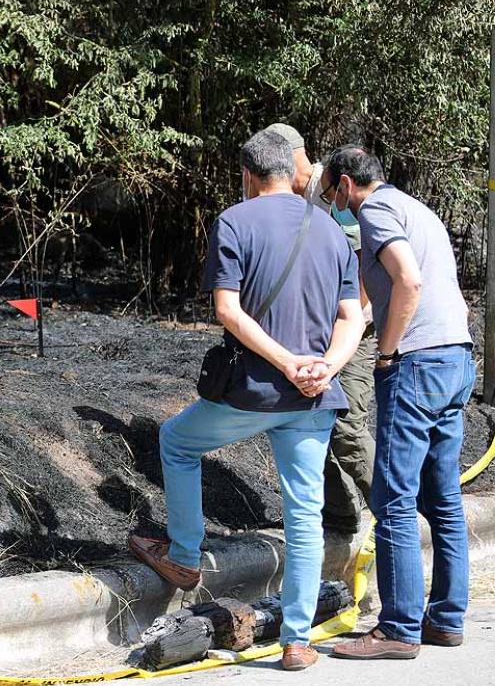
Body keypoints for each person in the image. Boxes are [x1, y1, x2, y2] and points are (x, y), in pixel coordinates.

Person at [129, 130, 364, 672]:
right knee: (304, 515)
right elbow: (352, 317)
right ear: (293, 170)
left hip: (256, 391)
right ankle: (297, 639)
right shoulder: (331, 229)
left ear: (247, 174)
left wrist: (285, 364)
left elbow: (229, 312)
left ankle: (185, 557)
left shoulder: (235, 221)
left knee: (177, 441)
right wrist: (324, 366)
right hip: (315, 396)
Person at [327, 146, 475, 660]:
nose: (333, 203)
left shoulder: (374, 211)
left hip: (417, 362)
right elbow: (388, 291)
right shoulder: (417, 208)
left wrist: (386, 352)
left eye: (331, 193)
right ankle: (446, 619)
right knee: (443, 498)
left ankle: (397, 628)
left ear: (346, 184)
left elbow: (408, 281)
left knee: (393, 499)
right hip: (456, 357)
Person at [265, 123, 376, 535]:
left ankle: (400, 516)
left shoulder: (329, 194)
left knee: (346, 428)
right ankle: (342, 514)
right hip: (319, 328)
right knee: (310, 418)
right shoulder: (291, 198)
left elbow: (366, 262)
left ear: (295, 155)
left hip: (357, 330)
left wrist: (350, 323)